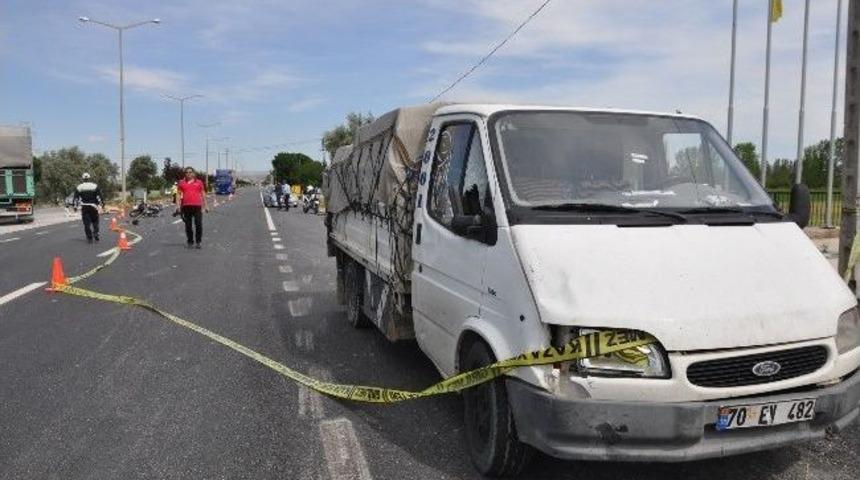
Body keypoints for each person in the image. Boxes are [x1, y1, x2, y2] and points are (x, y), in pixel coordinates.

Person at [175, 167, 209, 249]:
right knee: (188, 226)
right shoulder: (181, 183)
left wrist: (206, 205)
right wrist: (177, 206)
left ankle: (198, 242)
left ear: (193, 173)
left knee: (198, 224)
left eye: (190, 172)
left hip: (197, 206)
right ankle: (190, 241)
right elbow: (178, 194)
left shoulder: (199, 182)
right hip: (186, 207)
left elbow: (203, 193)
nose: (188, 174)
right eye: (186, 172)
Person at [73, 172, 105, 243]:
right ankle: (96, 233)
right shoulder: (94, 186)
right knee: (95, 221)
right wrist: (102, 204)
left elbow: (76, 198)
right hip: (93, 207)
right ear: (89, 178)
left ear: (83, 179)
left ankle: (89, 237)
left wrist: (75, 207)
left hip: (85, 207)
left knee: (86, 223)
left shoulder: (79, 187)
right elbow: (99, 197)